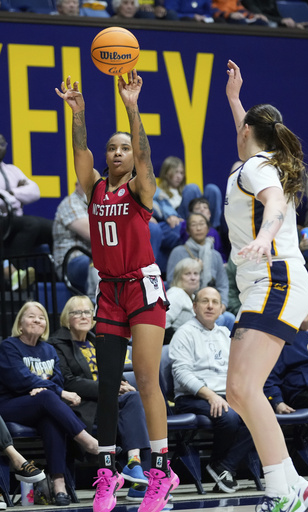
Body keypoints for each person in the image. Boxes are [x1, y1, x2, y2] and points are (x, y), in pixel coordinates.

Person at [55, 69, 178, 512]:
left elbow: (146, 157)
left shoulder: (141, 190)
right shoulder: (95, 187)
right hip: (109, 291)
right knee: (108, 384)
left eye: (124, 147)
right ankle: (108, 473)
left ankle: (162, 471)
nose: (119, 152)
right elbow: (79, 151)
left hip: (143, 287)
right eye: (113, 147)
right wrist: (78, 113)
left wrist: (131, 106)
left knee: (146, 378)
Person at [223, 60, 308, 512]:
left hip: (274, 278)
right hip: (269, 282)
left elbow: (276, 202)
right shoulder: (256, 161)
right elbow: (248, 139)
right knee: (242, 391)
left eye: (240, 126)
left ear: (247, 133)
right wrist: (234, 99)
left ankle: (281, 492)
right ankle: (292, 483)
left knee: (242, 390)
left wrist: (265, 236)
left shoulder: (254, 170)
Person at [48, 295, 151, 503]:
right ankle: (138, 477)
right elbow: (69, 381)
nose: (83, 316)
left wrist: (123, 384)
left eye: (87, 312)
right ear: (67, 319)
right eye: (76, 312)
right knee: (128, 407)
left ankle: (134, 463)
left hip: (108, 400)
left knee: (133, 397)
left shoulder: (98, 340)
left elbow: (113, 372)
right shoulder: (57, 344)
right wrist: (110, 389)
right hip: (84, 404)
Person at [0, 301, 99, 506]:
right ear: (20, 323)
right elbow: (20, 379)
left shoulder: (48, 349)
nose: (37, 320)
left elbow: (58, 380)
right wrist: (51, 390)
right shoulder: (9, 346)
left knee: (50, 417)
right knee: (47, 398)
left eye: (42, 317)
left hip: (41, 404)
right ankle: (88, 441)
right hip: (11, 406)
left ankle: (59, 483)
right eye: (31, 316)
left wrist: (46, 388)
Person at [169, 287, 254, 492]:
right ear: (194, 306)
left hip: (225, 395)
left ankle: (224, 467)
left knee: (259, 415)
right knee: (230, 417)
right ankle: (219, 465)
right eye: (205, 301)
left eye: (215, 302)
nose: (210, 306)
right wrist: (211, 396)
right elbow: (181, 373)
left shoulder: (224, 333)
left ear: (221, 308)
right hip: (193, 397)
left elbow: (236, 368)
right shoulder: (184, 333)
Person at [166, 212, 235, 331]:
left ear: (208, 228)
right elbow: (172, 281)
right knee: (220, 320)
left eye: (201, 224)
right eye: (194, 224)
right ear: (187, 230)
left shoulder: (215, 255)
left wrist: (221, 306)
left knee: (229, 317)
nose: (198, 228)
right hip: (189, 302)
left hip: (212, 303)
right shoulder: (178, 252)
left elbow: (223, 285)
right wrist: (196, 269)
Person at [0, 133, 53, 258]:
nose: (0, 147)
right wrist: (18, 194)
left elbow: (35, 192)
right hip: (3, 220)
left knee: (54, 228)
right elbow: (6, 202)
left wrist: (12, 193)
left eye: (2, 144)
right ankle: (15, 271)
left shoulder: (12, 170)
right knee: (30, 224)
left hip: (15, 219)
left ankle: (58, 272)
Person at [52, 181, 97, 297]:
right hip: (71, 261)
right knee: (99, 263)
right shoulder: (70, 204)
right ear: (77, 185)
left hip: (92, 257)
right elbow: (94, 234)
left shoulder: (96, 204)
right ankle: (97, 303)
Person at [165, 258, 201, 343]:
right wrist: (179, 341)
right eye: (187, 274)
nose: (193, 278)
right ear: (178, 277)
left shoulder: (192, 296)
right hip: (173, 346)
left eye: (196, 274)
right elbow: (163, 323)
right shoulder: (176, 294)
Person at [179, 197, 227, 262]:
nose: (202, 210)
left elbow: (221, 253)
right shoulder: (185, 226)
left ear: (209, 214)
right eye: (197, 208)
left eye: (205, 208)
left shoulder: (214, 232)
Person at [241, 0, 306, 27]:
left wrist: (293, 24)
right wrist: (281, 20)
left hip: (274, 24)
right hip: (258, 27)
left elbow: (277, 15)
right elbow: (260, 16)